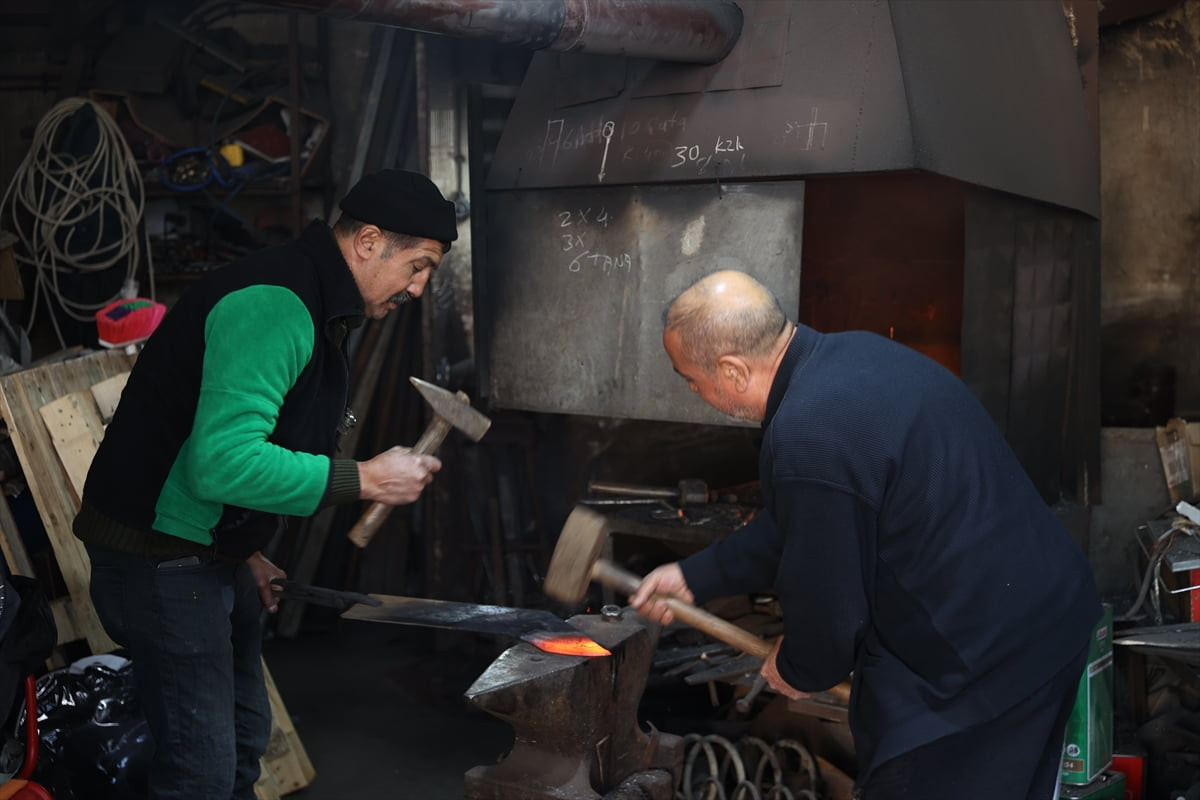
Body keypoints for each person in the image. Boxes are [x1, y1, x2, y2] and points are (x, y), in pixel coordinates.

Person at [630, 270, 1102, 800]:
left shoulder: (808, 432)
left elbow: (833, 607)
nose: (694, 392)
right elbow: (799, 523)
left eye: (692, 379)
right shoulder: (852, 355)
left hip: (983, 667)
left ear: (733, 370)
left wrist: (800, 666)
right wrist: (695, 576)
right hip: (1043, 614)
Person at [73, 169, 458, 799]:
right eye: (417, 266)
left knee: (244, 741)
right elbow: (222, 462)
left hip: (210, 548)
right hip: (161, 555)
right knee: (199, 773)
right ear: (367, 242)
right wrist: (361, 478)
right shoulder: (276, 303)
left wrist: (243, 548)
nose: (416, 287)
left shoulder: (319, 301)